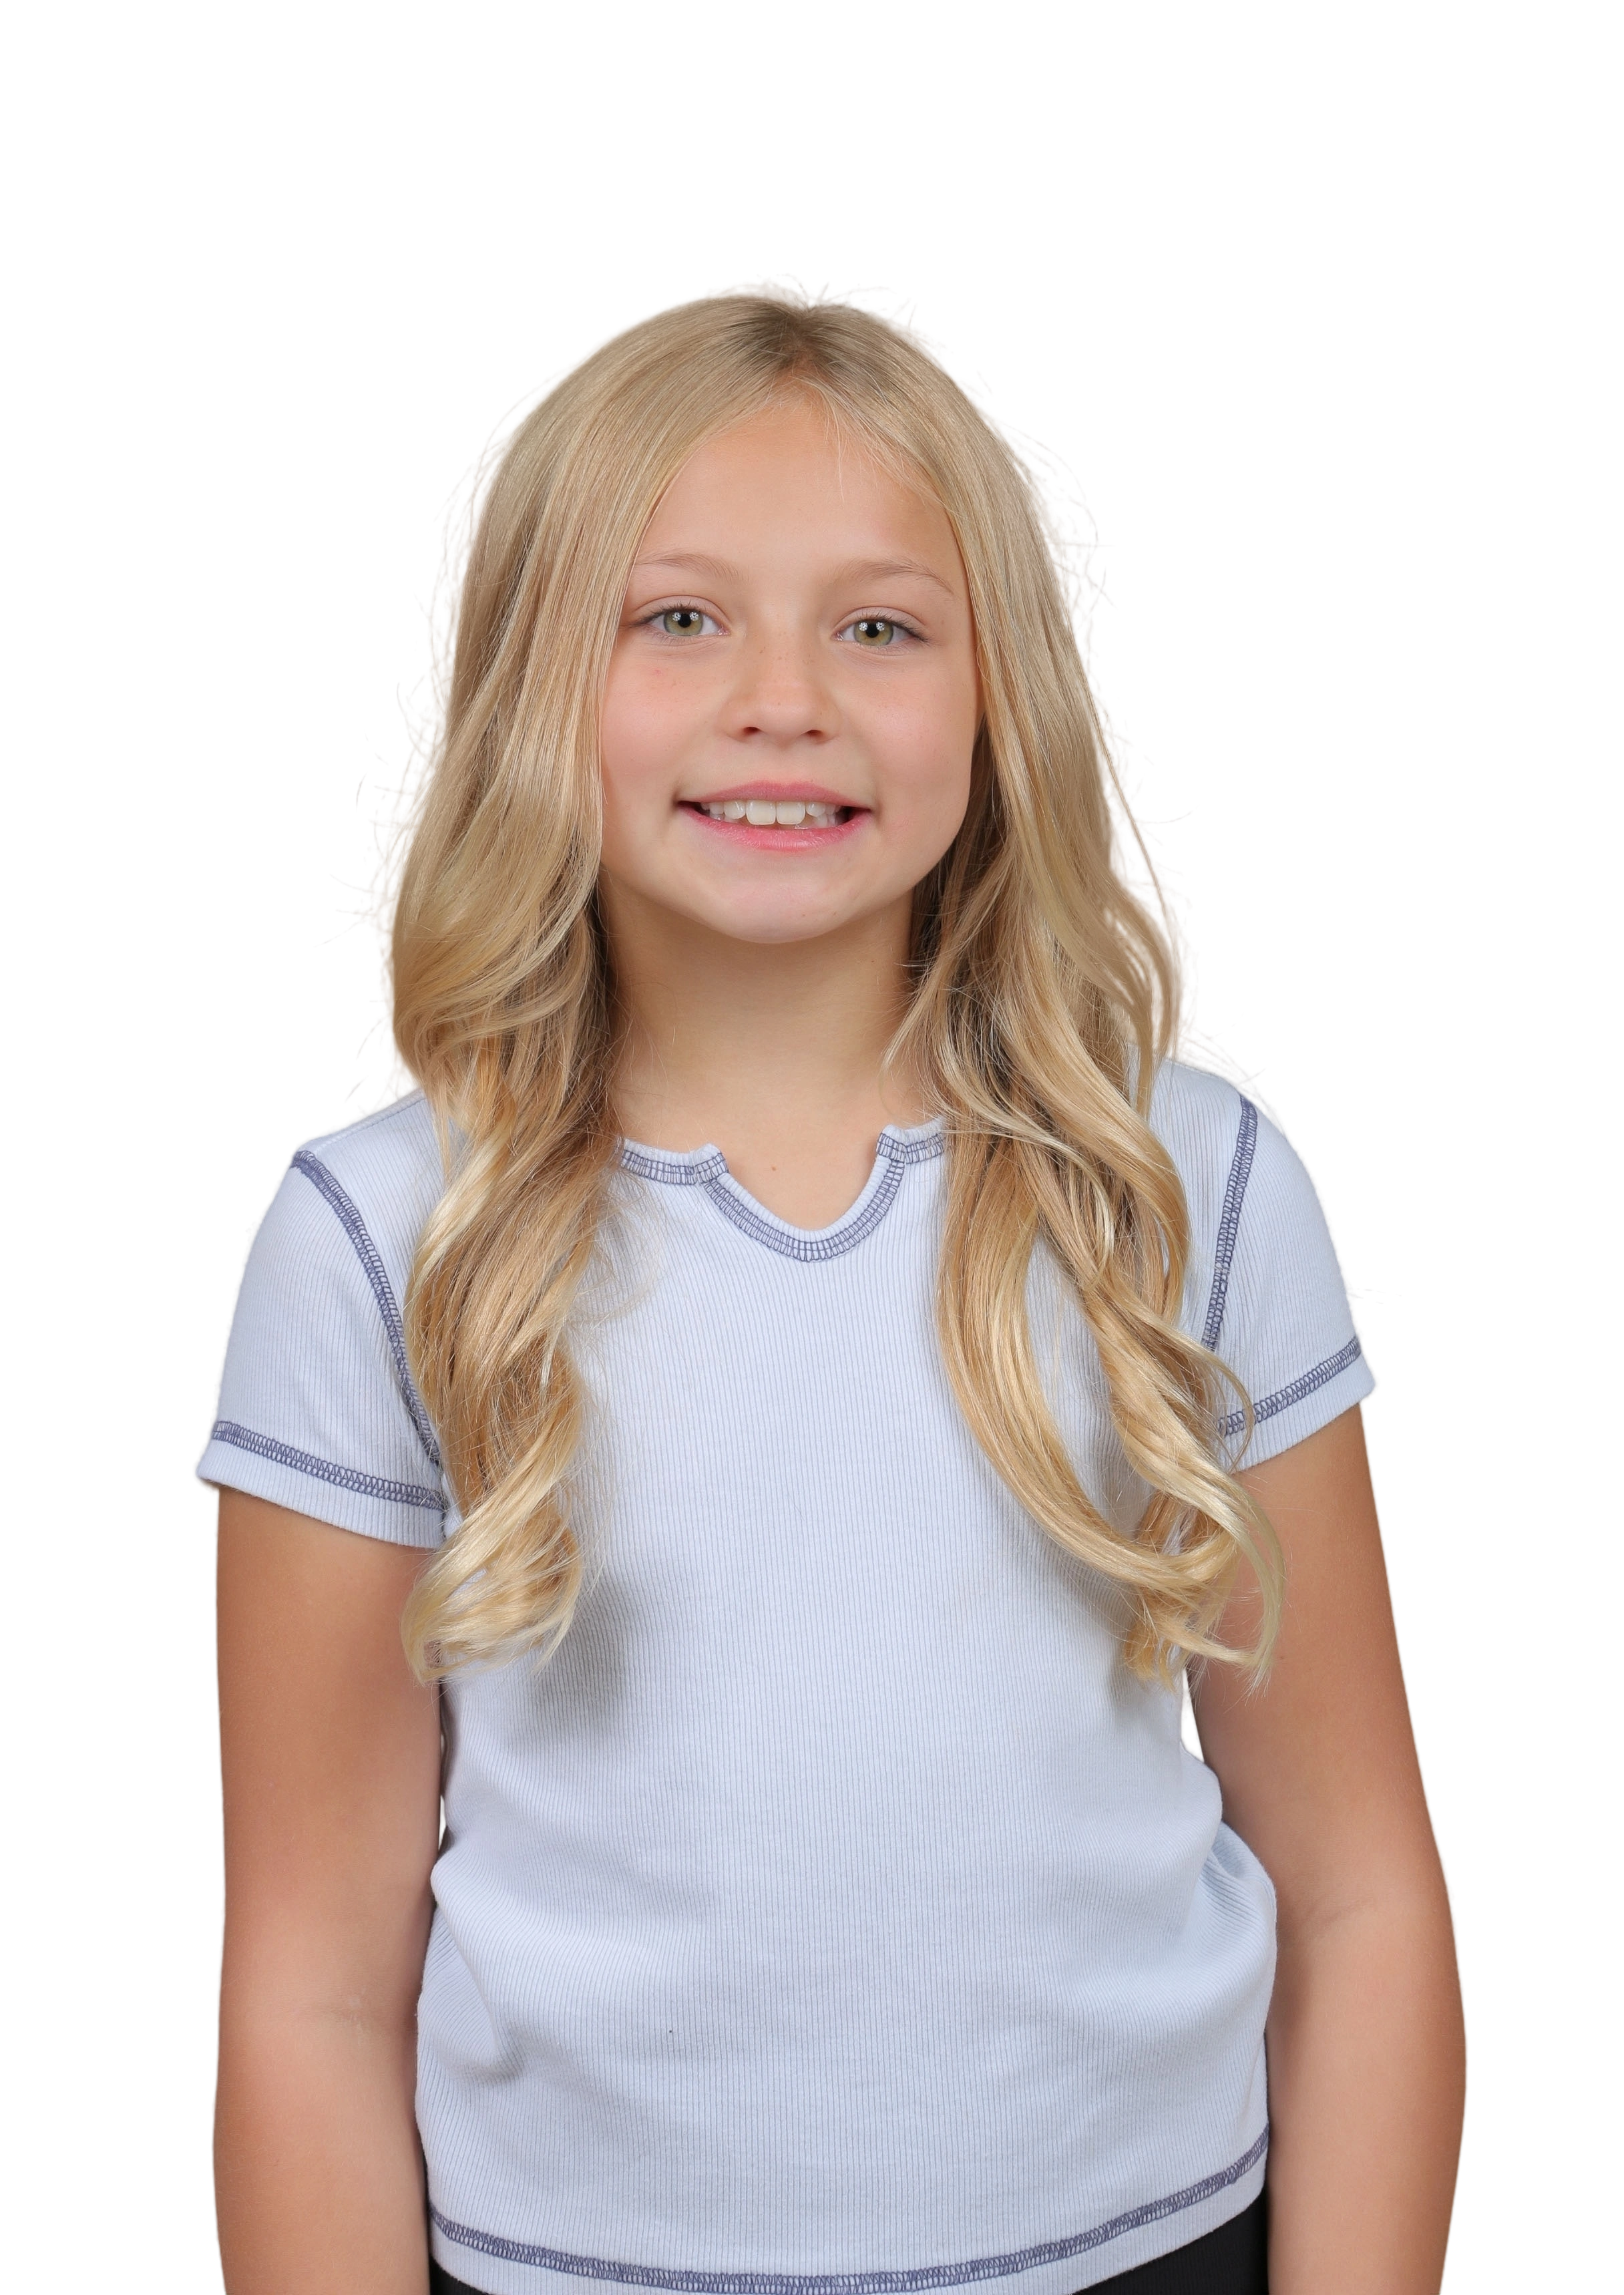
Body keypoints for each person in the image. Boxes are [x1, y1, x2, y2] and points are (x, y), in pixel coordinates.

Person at [194, 273, 1467, 2295]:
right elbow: (312, 1989)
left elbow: (1361, 1897)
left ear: (997, 699)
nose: (783, 698)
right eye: (677, 618)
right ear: (528, 685)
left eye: (881, 626)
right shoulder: (383, 1239)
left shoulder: (1184, 1183)